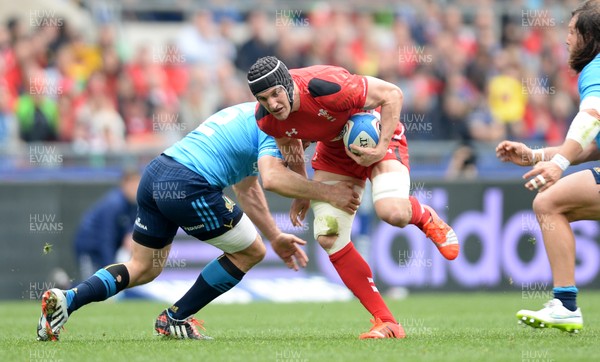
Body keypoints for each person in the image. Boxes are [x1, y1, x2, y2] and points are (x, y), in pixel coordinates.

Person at [37, 101, 360, 341]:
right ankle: (175, 318)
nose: (304, 146)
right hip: (188, 184)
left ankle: (68, 299)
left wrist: (275, 234)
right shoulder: (272, 129)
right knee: (251, 252)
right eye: (306, 140)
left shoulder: (245, 113)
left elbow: (248, 189)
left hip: (155, 173)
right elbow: (273, 180)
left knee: (144, 267)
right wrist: (328, 195)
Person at [247, 56, 460, 339]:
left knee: (392, 213)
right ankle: (387, 322)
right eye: (264, 98)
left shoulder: (327, 86)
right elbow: (291, 143)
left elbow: (392, 94)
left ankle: (425, 216)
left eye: (276, 93)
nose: (272, 103)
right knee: (328, 235)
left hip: (375, 135)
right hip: (334, 154)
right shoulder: (265, 119)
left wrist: (381, 146)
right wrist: (303, 188)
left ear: (287, 83)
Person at [495, 0, 600, 333]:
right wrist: (536, 156)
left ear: (590, 36)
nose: (566, 39)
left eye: (572, 31)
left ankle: (566, 306)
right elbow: (595, 146)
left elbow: (592, 116)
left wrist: (559, 164)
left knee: (548, 202)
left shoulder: (596, 67)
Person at [73, 169, 140, 281]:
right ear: (125, 184)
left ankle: (65, 285)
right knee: (92, 285)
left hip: (106, 248)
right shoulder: (114, 204)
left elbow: (128, 234)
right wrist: (110, 269)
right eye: (133, 186)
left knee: (99, 287)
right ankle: (65, 287)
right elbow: (106, 237)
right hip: (90, 248)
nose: (136, 190)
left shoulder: (132, 205)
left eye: (138, 186)